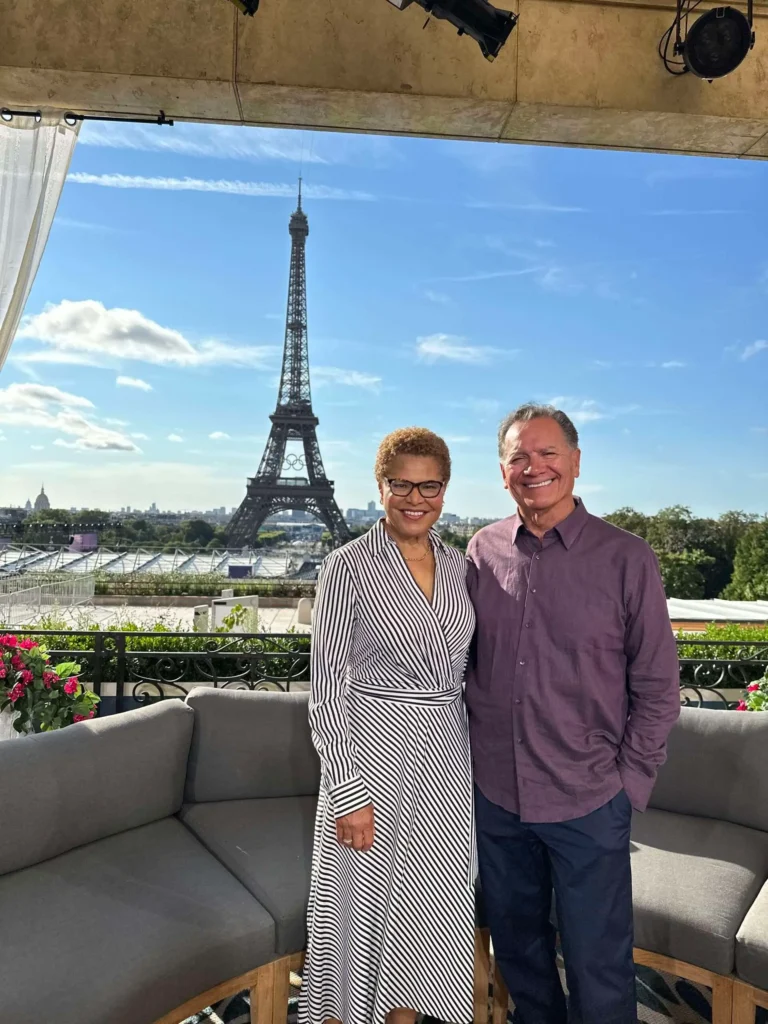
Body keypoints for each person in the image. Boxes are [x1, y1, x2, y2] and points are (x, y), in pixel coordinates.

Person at [466, 403, 680, 1024]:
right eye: (518, 456)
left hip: (589, 800)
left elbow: (658, 685)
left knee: (598, 966)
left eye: (548, 453)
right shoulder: (481, 551)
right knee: (521, 955)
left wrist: (626, 786)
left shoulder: (627, 559)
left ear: (577, 462)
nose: (534, 467)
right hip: (497, 798)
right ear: (502, 471)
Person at [299, 427, 476, 1024]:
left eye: (429, 485)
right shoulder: (345, 566)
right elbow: (326, 687)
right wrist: (347, 792)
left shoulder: (461, 566)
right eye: (401, 483)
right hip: (371, 763)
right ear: (380, 485)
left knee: (423, 929)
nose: (414, 497)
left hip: (447, 764)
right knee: (361, 924)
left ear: (445, 490)